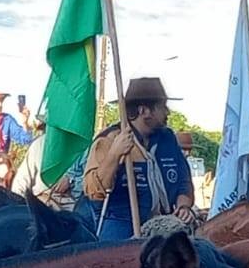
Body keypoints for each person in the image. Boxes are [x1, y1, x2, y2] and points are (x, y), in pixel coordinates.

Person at [83, 77, 194, 240]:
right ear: (144, 111)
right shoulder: (109, 140)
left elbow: (183, 181)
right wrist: (114, 155)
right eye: (162, 106)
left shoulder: (168, 138)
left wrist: (184, 206)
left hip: (164, 223)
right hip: (119, 227)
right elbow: (94, 191)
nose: (167, 112)